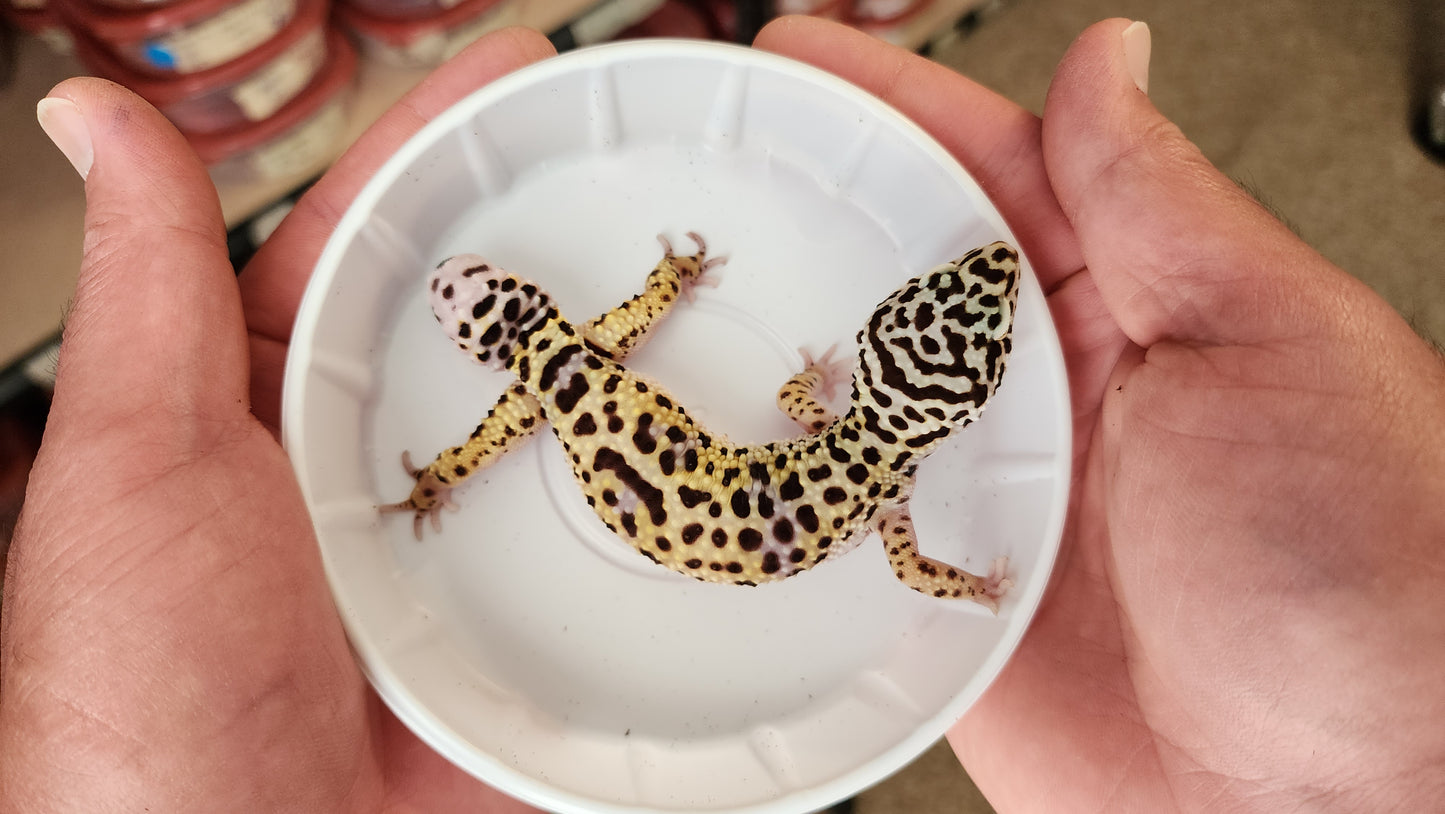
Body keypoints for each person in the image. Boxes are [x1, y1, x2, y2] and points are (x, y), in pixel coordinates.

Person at [3, 15, 1442, 812]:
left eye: (948, 309)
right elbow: (900, 549)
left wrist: (442, 472)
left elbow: (569, 391)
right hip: (731, 496)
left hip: (710, 497)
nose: (968, 288)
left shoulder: (578, 382)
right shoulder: (852, 454)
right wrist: (953, 578)